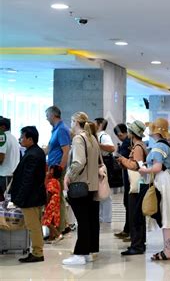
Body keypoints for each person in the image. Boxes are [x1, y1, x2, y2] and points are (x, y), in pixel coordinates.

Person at [62, 112, 101, 265]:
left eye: (71, 122)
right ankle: (88, 251)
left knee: (82, 220)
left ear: (75, 122)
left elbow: (78, 162)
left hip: (80, 185)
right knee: (90, 220)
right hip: (92, 185)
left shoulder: (79, 139)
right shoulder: (92, 138)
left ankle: (80, 253)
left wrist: (68, 176)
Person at [139, 118, 170, 261]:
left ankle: (167, 251)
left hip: (163, 182)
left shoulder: (158, 147)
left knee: (166, 216)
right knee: (167, 216)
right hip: (167, 181)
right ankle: (167, 250)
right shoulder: (164, 145)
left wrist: (144, 170)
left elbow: (157, 167)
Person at [11, 126, 46, 263]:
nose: (20, 140)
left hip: (30, 197)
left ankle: (37, 253)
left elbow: (28, 179)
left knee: (33, 226)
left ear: (30, 139)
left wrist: (19, 198)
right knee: (36, 224)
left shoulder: (32, 155)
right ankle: (38, 250)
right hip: (35, 195)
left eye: (22, 137)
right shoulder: (36, 152)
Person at [116, 120, 148, 255]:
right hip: (138, 185)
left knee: (135, 215)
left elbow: (136, 166)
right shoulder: (138, 145)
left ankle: (137, 245)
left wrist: (123, 159)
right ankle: (138, 243)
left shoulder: (138, 147)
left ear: (132, 133)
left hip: (136, 186)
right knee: (137, 215)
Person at [45, 106, 71, 235]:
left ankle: (60, 228)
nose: (46, 118)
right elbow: (50, 149)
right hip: (52, 168)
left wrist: (60, 168)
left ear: (53, 115)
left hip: (57, 169)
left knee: (58, 198)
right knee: (57, 198)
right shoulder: (55, 130)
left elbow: (66, 151)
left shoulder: (61, 129)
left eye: (47, 115)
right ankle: (63, 225)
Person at [113, 123, 132, 240]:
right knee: (128, 203)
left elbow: (124, 160)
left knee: (130, 204)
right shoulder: (130, 142)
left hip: (130, 178)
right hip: (129, 177)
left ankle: (130, 231)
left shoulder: (127, 143)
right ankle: (127, 229)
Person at [95, 118, 116, 224]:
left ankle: (106, 217)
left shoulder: (104, 136)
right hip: (101, 163)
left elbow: (112, 148)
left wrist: (98, 145)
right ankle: (102, 216)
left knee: (105, 191)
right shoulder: (98, 135)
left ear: (100, 125)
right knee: (100, 190)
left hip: (105, 163)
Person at [0, 116, 20, 193]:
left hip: (4, 175)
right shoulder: (13, 138)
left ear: (2, 127)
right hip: (12, 174)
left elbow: (1, 158)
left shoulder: (2, 137)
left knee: (2, 202)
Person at [43, 165, 62, 243]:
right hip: (56, 202)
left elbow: (49, 193)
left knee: (46, 220)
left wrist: (46, 203)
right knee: (52, 221)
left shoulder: (52, 181)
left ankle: (58, 235)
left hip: (51, 202)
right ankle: (51, 238)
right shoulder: (57, 181)